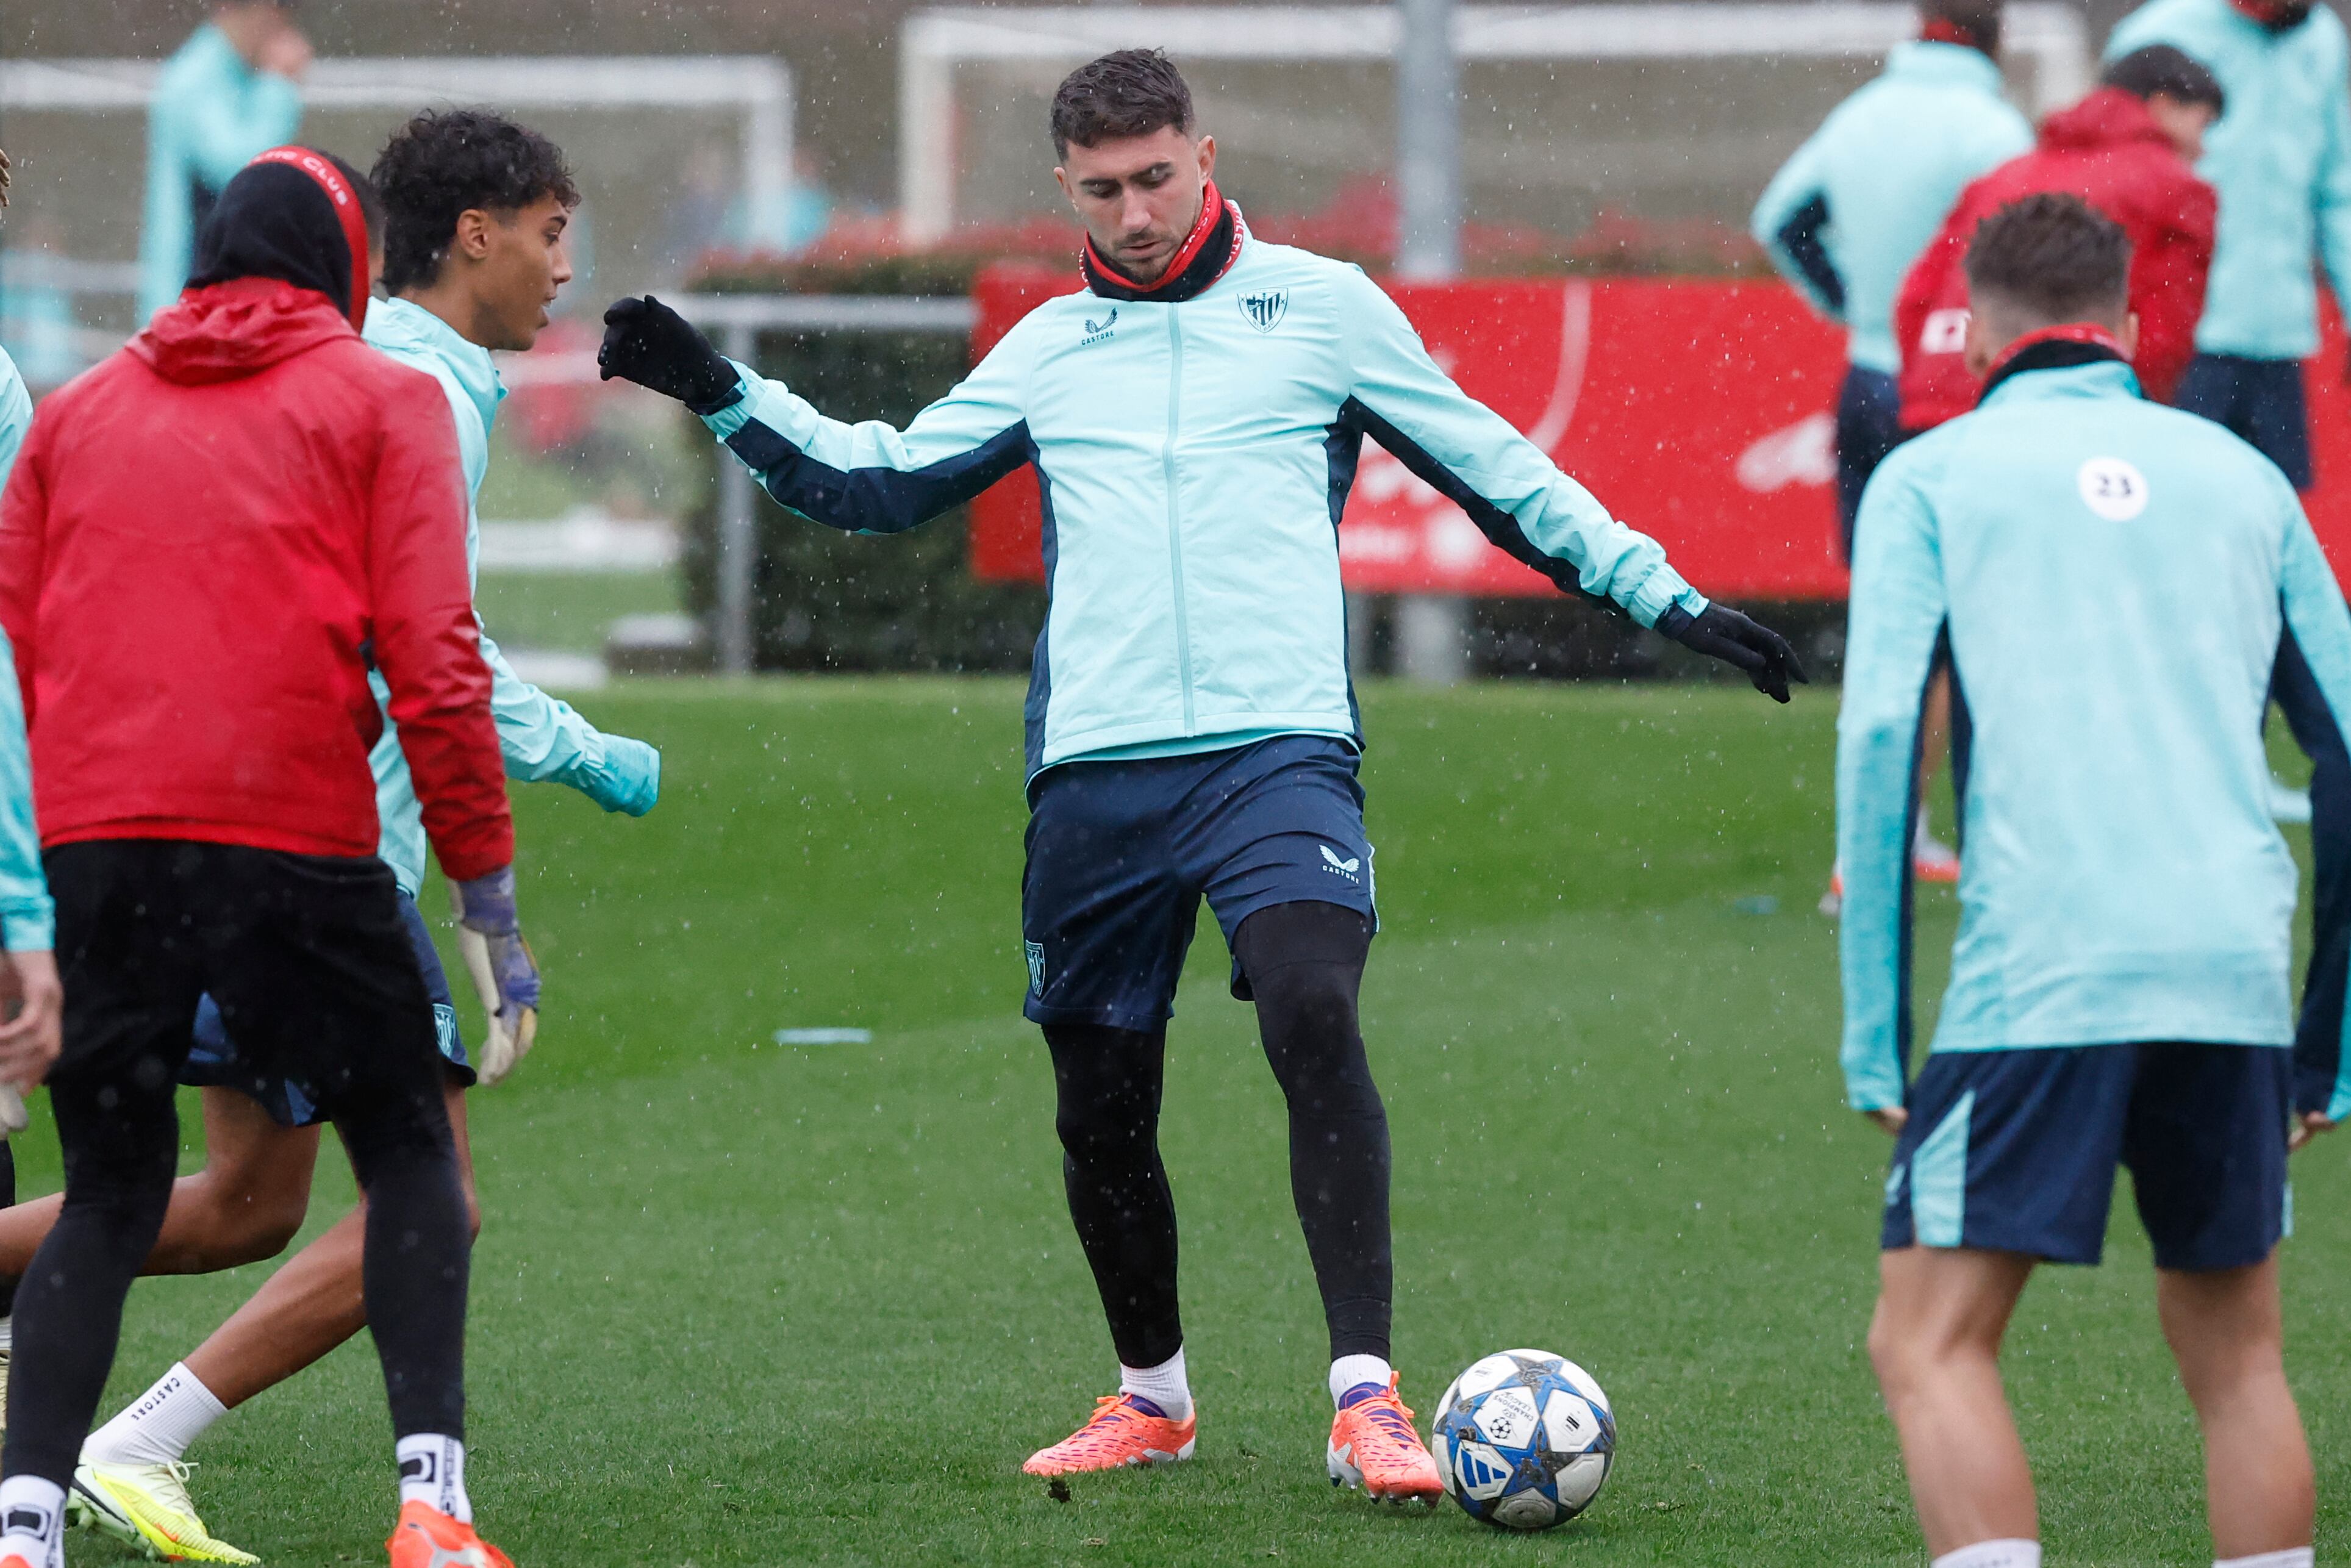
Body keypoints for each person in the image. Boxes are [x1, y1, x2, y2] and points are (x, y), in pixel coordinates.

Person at [598, 46, 1803, 1500]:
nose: (1136, 211)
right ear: (1066, 189)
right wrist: (716, 388)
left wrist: (1659, 594)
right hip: (1097, 775)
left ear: (1205, 155)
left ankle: (1365, 1397)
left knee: (1308, 1002)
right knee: (1098, 1101)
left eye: (1156, 177)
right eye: (1102, 189)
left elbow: (1499, 472)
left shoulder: (1320, 311)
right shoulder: (1049, 350)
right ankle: (1151, 1396)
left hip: (1273, 749)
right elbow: (876, 482)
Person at [0, 112, 660, 1566]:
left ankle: (30, 1518)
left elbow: (33, 639)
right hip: (304, 839)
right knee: (422, 1173)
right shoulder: (387, 395)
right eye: (553, 232)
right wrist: (493, 878)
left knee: (174, 1195)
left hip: (110, 844)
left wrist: (47, 879)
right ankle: (429, 1505)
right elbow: (434, 661)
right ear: (364, 257)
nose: (564, 266)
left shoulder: (84, 405)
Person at [1840, 192, 2338, 1568]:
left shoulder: (1929, 476)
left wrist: (1872, 1029)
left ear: (1974, 336)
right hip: (2230, 972)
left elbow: (1884, 738)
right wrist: (2326, 1045)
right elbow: (2345, 749)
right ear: (2124, 325)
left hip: (2042, 972)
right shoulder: (2239, 475)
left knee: (1928, 1338)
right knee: (2235, 1360)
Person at [2107, 0, 2351, 1150]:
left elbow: (2336, 193)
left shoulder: (2322, 43)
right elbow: (2099, 196)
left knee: (2263, 564)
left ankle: (2235, 763)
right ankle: (2160, 764)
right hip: (2181, 346)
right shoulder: (2166, 28)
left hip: (2270, 341)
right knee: (2165, 569)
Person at [1752, 0, 2030, 895]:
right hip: (1952, 389)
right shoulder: (1993, 130)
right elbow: (2020, 260)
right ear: (1995, 35)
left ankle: (1876, 840)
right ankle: (1905, 841)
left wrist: (1852, 306)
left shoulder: (1859, 116)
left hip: (1867, 380)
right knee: (1955, 628)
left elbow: (1779, 221)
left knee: (1885, 616)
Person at [1893, 47, 2222, 431]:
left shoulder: (2002, 176)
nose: (2203, 148)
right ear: (2164, 106)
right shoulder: (2176, 188)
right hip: (2070, 420)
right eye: (2202, 125)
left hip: (1940, 405)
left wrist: (1934, 380)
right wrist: (2137, 417)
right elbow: (2165, 333)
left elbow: (1917, 298)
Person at [138, 1, 309, 323]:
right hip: (186, 309)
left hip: (211, 308)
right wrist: (280, 87)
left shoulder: (238, 77)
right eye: (277, 18)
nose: (284, 33)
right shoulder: (194, 79)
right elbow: (241, 174)